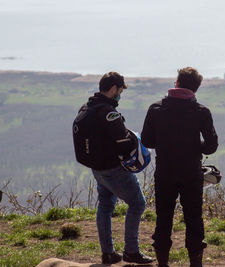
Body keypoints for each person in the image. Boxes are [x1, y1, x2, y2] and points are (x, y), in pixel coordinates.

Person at [141, 67, 218, 267]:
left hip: (165, 171)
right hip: (191, 172)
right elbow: (211, 146)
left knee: (163, 218)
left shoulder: (156, 109)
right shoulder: (201, 112)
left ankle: (163, 263)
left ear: (176, 83)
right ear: (196, 88)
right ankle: (195, 263)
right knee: (194, 218)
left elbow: (148, 140)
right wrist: (194, 146)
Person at [87, 72, 154, 265]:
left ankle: (108, 253)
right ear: (114, 89)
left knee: (106, 205)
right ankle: (131, 251)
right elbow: (124, 143)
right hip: (114, 169)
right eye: (120, 91)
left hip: (97, 168)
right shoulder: (109, 113)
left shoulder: (89, 107)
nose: (120, 95)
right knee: (137, 203)